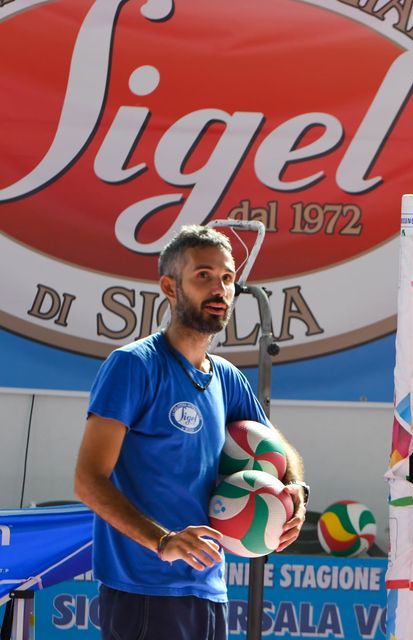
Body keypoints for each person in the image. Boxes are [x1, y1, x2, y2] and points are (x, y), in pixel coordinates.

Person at [75, 225, 309, 640]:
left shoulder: (226, 378)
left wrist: (295, 491)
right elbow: (88, 480)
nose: (219, 288)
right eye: (203, 275)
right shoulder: (134, 365)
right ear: (169, 286)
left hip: (208, 588)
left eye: (227, 278)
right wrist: (163, 541)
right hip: (144, 589)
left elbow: (278, 449)